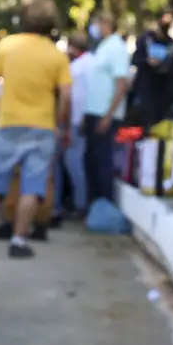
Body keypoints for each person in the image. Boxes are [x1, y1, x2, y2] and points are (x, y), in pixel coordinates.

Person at [0, 0, 72, 259]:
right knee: (32, 187)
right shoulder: (56, 55)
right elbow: (66, 95)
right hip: (42, 126)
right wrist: (59, 122)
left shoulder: (7, 46)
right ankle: (19, 240)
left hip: (8, 122)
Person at [82, 12, 131, 204]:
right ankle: (94, 205)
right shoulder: (103, 46)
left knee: (103, 162)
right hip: (94, 112)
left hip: (105, 115)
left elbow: (122, 84)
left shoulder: (116, 47)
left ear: (106, 23)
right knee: (92, 161)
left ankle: (104, 205)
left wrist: (108, 115)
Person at [56, 32, 93, 217]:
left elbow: (68, 98)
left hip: (74, 121)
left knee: (71, 163)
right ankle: (78, 202)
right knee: (78, 163)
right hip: (88, 119)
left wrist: (66, 126)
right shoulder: (94, 63)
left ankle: (78, 204)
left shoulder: (75, 68)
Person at [131, 10, 173, 128]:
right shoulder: (145, 41)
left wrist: (165, 66)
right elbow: (135, 60)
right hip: (145, 89)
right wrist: (147, 61)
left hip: (162, 93)